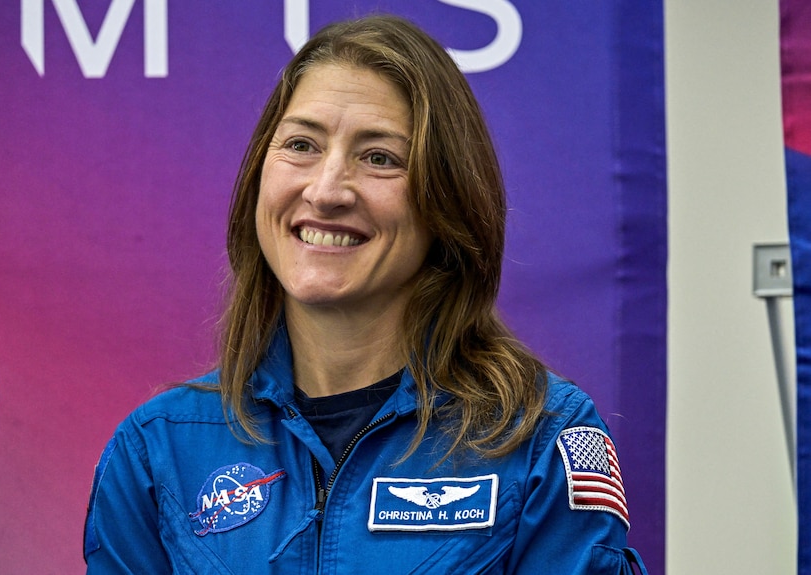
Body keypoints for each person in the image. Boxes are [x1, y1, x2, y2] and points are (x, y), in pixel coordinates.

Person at [83, 14, 648, 574]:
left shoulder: (539, 436)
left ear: (446, 200)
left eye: (379, 157)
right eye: (302, 144)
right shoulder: (158, 449)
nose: (326, 190)